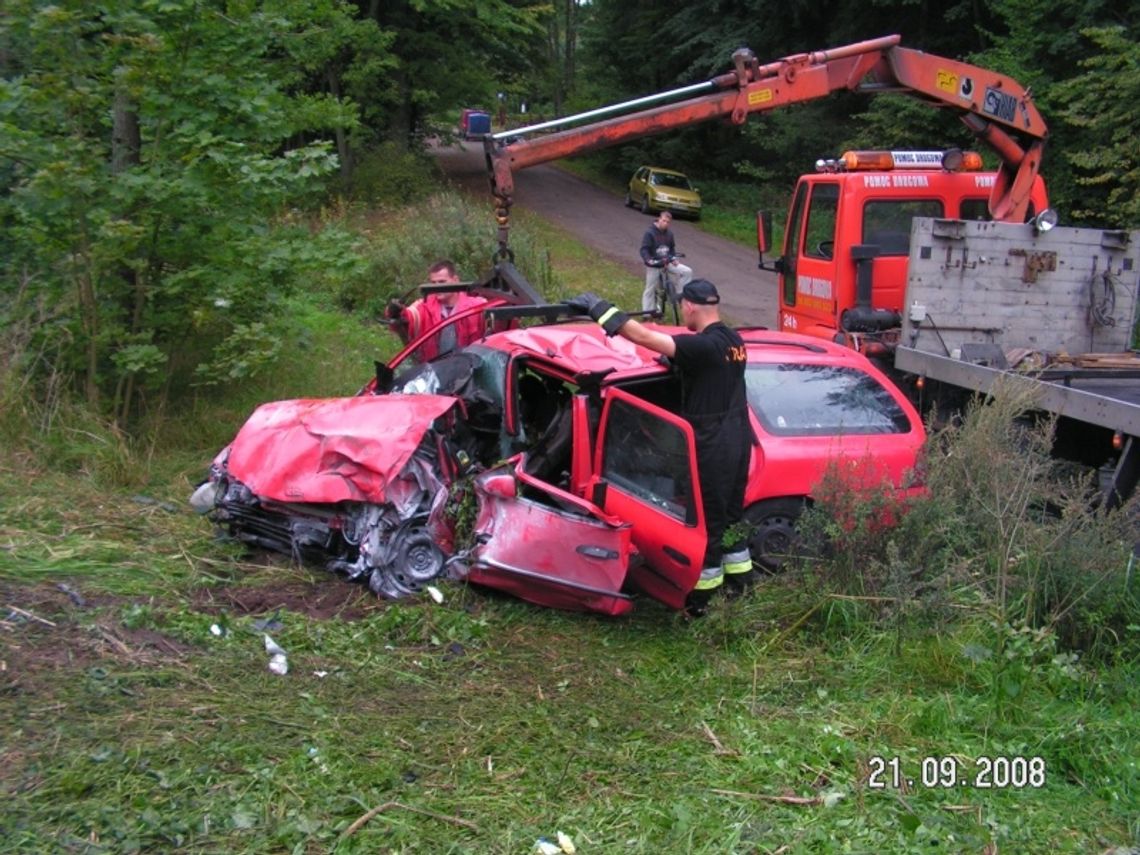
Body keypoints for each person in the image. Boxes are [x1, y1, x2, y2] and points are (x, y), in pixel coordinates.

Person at [567, 280, 754, 613]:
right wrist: (678, 366)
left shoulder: (704, 347)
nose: (684, 313)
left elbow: (641, 337)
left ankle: (703, 599)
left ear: (691, 306)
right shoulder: (733, 341)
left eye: (684, 307)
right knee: (730, 516)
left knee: (708, 521)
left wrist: (601, 308)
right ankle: (741, 587)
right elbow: (712, 375)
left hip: (712, 443)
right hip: (737, 439)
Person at [386, 259, 488, 360]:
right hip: (434, 371)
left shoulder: (477, 306)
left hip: (471, 369)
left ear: (455, 280)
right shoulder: (423, 306)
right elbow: (407, 316)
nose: (437, 287)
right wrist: (394, 311)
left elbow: (497, 329)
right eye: (433, 283)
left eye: (442, 282)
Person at [639, 211, 693, 314]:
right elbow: (644, 249)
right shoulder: (650, 233)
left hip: (667, 262)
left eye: (668, 222)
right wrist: (648, 259)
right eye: (664, 221)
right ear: (659, 219)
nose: (665, 223)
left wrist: (673, 258)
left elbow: (672, 249)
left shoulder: (669, 234)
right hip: (654, 263)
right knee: (650, 289)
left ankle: (680, 295)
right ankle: (646, 314)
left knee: (687, 271)